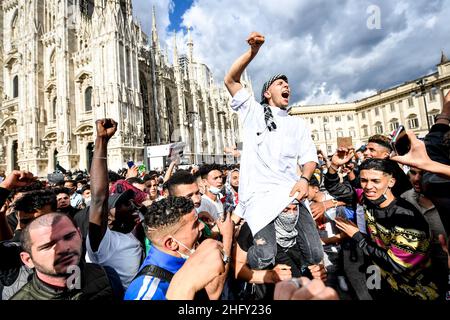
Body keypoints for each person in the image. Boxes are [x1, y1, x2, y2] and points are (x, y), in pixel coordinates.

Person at [224, 31, 322, 272]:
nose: (286, 85)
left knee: (315, 253)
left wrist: (304, 179)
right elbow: (230, 80)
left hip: (291, 194)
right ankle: (243, 252)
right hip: (261, 197)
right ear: (267, 93)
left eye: (287, 83)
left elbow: (310, 159)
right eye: (280, 83)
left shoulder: (297, 124)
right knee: (264, 256)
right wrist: (253, 52)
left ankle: (292, 275)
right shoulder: (253, 112)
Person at [327, 157, 444, 300]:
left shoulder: (406, 217)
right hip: (378, 277)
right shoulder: (367, 198)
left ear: (391, 182)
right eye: (364, 180)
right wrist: (333, 165)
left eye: (376, 181)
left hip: (416, 290)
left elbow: (395, 264)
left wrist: (357, 235)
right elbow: (335, 188)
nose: (368, 186)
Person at [124, 196, 228, 300]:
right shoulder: (150, 293)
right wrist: (228, 237)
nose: (201, 226)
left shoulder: (184, 254)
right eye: (195, 224)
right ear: (171, 243)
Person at [10, 213, 122, 300]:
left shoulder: (106, 275)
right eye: (47, 246)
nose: (63, 248)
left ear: (79, 234)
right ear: (28, 259)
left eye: (69, 237)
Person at [87, 119, 143, 289]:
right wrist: (101, 141)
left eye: (132, 202)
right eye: (124, 204)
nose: (133, 206)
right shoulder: (104, 243)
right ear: (108, 216)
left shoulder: (134, 233)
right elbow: (99, 198)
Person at [401, 166, 448, 274]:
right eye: (413, 172)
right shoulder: (405, 199)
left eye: (422, 173)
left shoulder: (446, 199)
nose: (416, 179)